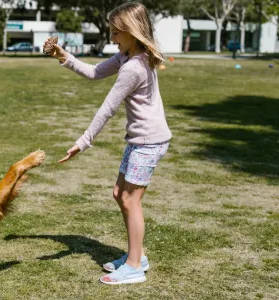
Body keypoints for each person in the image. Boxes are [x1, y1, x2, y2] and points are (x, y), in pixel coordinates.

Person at [44, 2, 172, 285]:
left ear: (131, 32)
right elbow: (93, 72)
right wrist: (63, 56)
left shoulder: (133, 67)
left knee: (130, 199)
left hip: (149, 142)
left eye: (116, 33)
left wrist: (83, 142)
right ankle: (137, 255)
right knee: (119, 193)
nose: (112, 38)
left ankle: (135, 266)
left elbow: (107, 108)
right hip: (141, 140)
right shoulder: (127, 56)